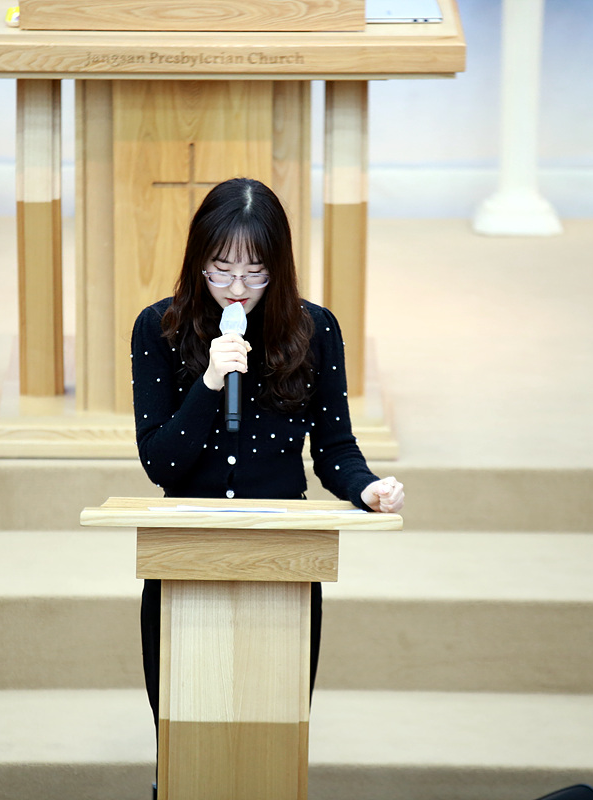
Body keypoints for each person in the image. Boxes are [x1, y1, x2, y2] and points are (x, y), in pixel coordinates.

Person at [130, 176, 405, 727]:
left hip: (283, 551)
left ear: (277, 268)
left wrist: (367, 487)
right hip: (188, 549)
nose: (237, 287)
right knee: (183, 725)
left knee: (275, 723)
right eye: (221, 270)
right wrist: (209, 383)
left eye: (254, 272)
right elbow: (160, 462)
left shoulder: (314, 329)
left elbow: (335, 448)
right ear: (197, 262)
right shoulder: (159, 328)